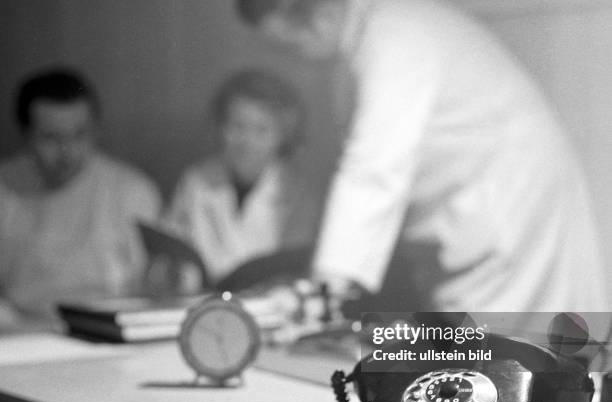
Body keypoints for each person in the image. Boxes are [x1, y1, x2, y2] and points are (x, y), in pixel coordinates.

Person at [235, 0, 608, 312]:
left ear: (319, 19)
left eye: (290, 47)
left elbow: (373, 171)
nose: (296, 59)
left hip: (510, 215)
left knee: (519, 363)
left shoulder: (395, 33)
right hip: (475, 216)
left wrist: (326, 290)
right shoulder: (365, 41)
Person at [0, 68, 160, 328]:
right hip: (20, 332)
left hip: (108, 330)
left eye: (79, 134)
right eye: (51, 138)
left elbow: (149, 289)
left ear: (96, 129)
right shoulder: (5, 188)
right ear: (26, 135)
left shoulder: (131, 191)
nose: (67, 151)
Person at [164, 69, 305, 284]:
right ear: (220, 127)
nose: (247, 142)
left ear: (283, 136)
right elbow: (172, 253)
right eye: (237, 126)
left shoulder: (297, 192)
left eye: (262, 130)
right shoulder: (196, 181)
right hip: (202, 305)